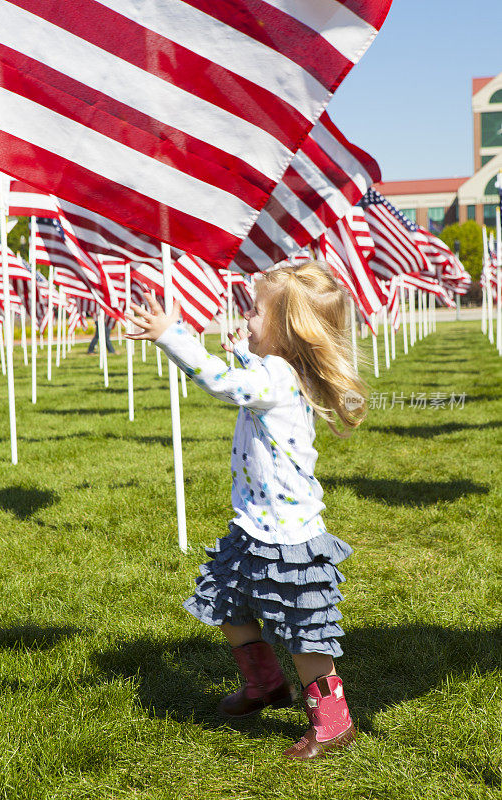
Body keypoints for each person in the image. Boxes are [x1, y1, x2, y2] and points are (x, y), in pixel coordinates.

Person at [126, 262, 368, 760]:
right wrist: (241, 350)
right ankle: (264, 685)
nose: (247, 316)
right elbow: (245, 378)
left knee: (306, 632)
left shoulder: (278, 376)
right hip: (253, 526)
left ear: (284, 329)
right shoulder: (275, 371)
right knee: (225, 602)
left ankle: (333, 720)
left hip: (289, 536)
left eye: (256, 311)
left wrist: (174, 336)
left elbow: (225, 384)